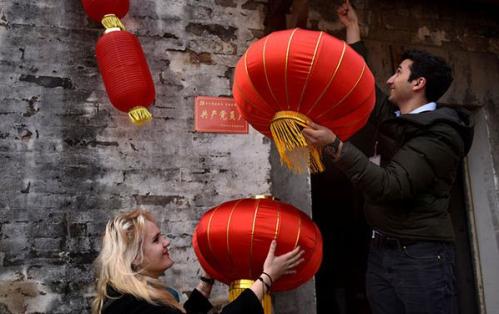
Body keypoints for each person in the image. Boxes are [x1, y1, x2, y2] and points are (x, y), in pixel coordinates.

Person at [302, 2, 474, 314]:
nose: (390, 80)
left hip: (420, 258)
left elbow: (390, 185)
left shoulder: (441, 135)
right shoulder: (397, 119)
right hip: (382, 252)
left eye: (398, 72)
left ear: (418, 83)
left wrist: (336, 147)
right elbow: (363, 86)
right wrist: (352, 29)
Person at [92, 209, 304, 314]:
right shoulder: (136, 308)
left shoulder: (125, 298)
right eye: (156, 240)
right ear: (135, 257)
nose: (167, 242)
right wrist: (266, 279)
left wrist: (206, 280)